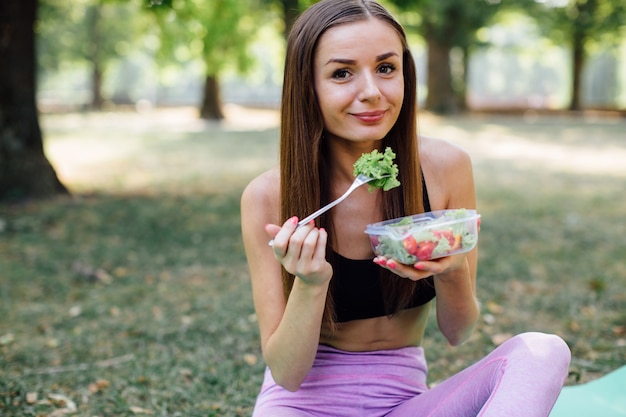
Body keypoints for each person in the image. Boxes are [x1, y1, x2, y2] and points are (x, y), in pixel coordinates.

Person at [240, 1, 571, 416]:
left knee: (542, 351)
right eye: (342, 73)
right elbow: (287, 373)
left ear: (405, 73)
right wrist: (309, 284)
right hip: (303, 406)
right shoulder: (269, 197)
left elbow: (458, 331)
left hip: (404, 404)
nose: (372, 92)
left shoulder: (445, 169)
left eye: (386, 68)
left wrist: (451, 270)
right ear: (307, 86)